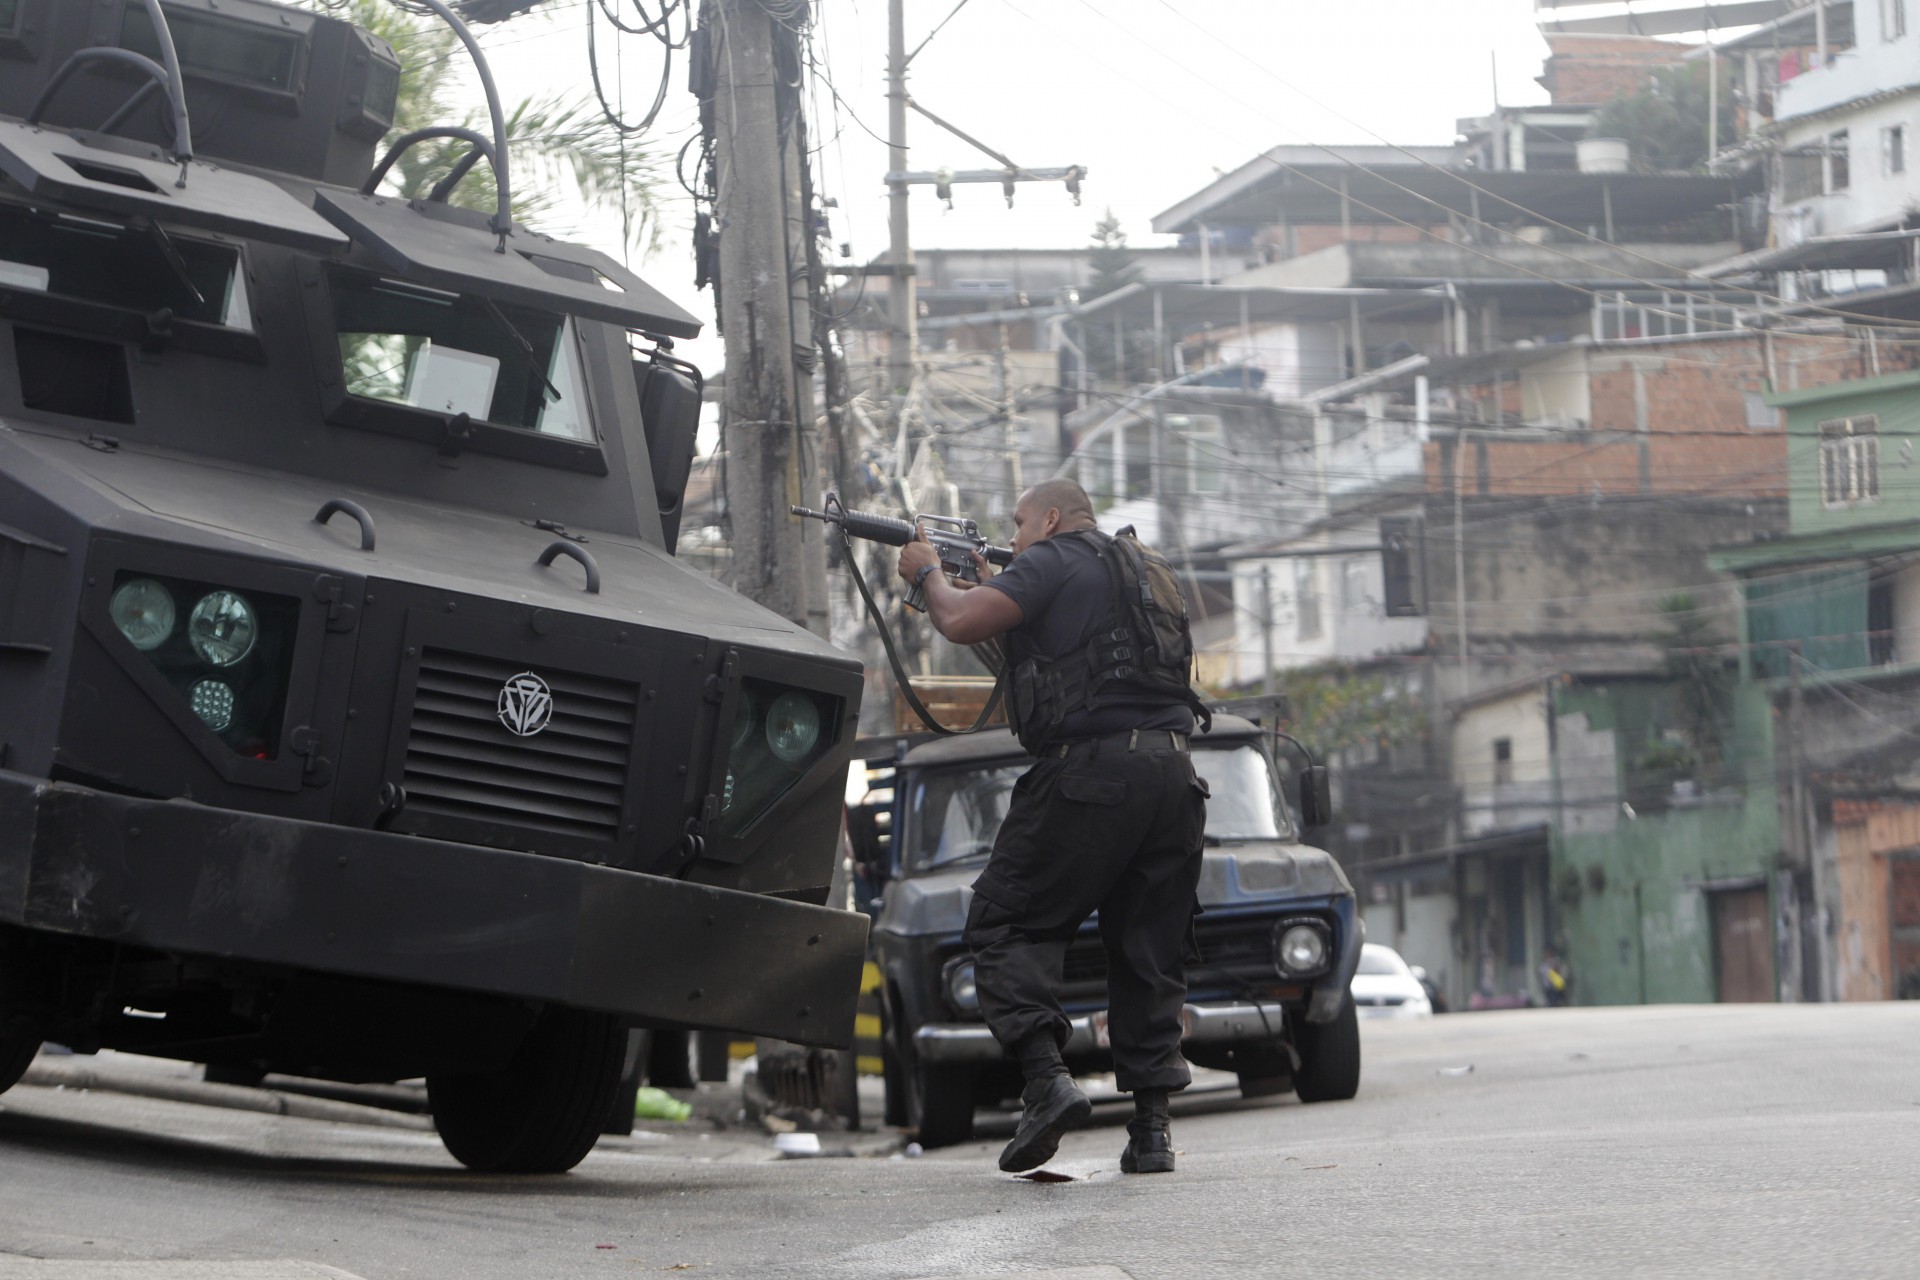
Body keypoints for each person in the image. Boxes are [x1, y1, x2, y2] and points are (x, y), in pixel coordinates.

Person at [896, 478, 1209, 1176]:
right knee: (1148, 950)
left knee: (1002, 923)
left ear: (1051, 518)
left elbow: (958, 623)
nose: (1010, 542)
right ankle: (1151, 1131)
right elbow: (1050, 658)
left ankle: (1046, 1082)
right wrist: (983, 583)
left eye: (1017, 526)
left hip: (1092, 775)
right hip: (1173, 776)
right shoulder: (1140, 570)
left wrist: (926, 576)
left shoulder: (1051, 557)